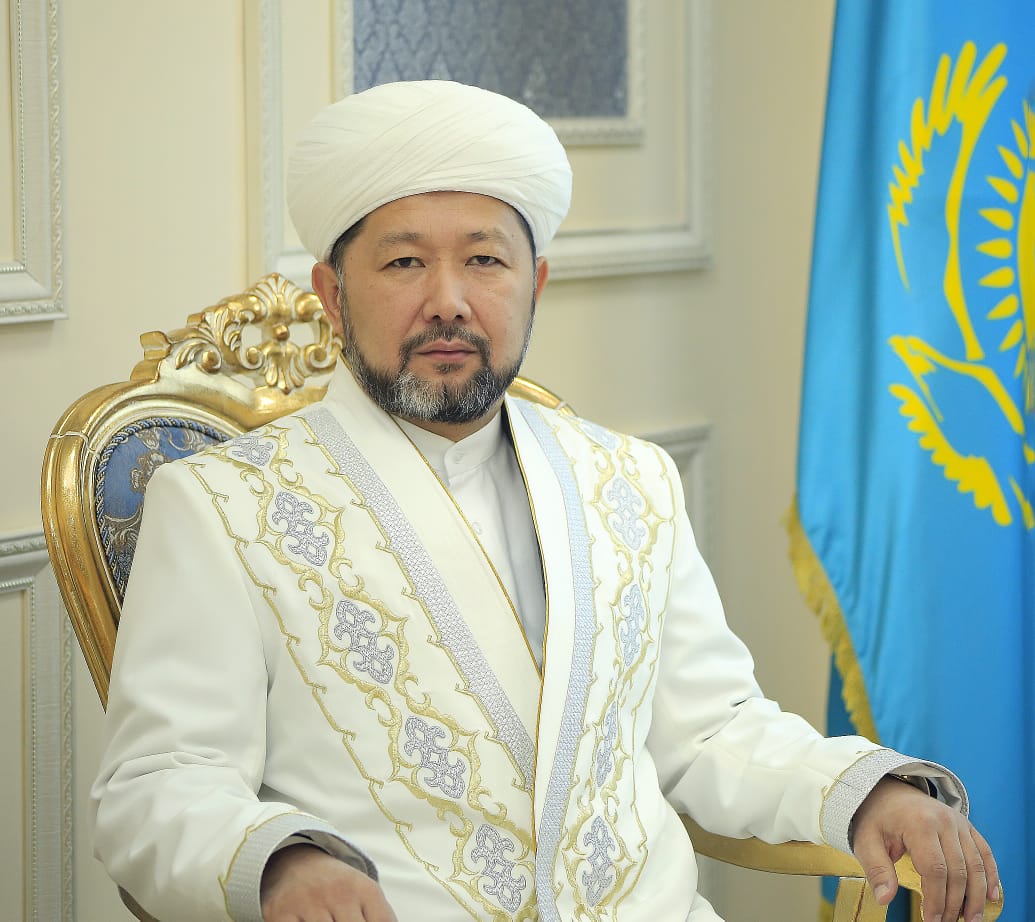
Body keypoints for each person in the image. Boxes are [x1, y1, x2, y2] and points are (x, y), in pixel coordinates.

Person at [92, 81, 999, 922]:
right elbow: (159, 782)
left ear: (535, 284)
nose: (448, 302)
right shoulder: (220, 506)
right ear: (331, 296)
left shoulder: (631, 481)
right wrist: (285, 862)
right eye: (403, 262)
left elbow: (710, 733)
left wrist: (866, 793)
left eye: (485, 260)